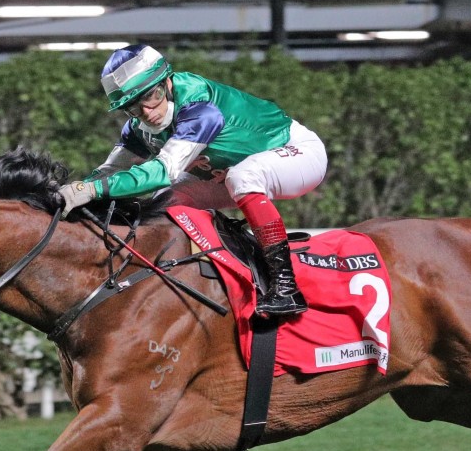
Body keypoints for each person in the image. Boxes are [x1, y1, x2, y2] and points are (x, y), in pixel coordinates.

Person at [55, 44, 327, 317]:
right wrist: (74, 191)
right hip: (227, 174)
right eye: (132, 107)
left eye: (152, 95)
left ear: (168, 82)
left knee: (241, 176)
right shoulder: (139, 127)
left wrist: (93, 190)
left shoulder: (201, 110)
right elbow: (107, 172)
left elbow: (162, 171)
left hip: (299, 153)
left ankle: (286, 287)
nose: (148, 112)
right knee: (166, 199)